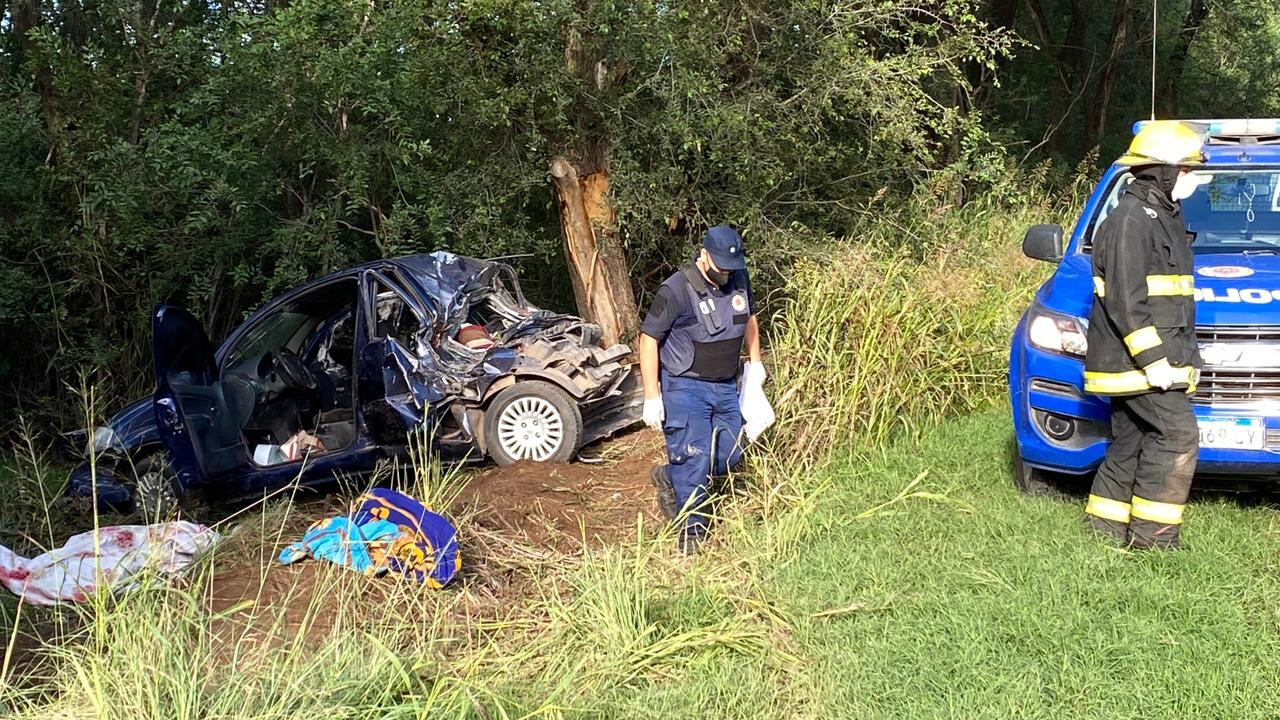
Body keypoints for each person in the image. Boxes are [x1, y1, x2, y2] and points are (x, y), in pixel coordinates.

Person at [1082, 120, 1206, 550]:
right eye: (1188, 170)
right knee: (1177, 436)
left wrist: (1186, 358)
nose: (1192, 178)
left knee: (1132, 440)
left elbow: (1172, 301)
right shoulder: (1131, 220)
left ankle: (1103, 532)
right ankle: (1154, 541)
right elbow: (1126, 301)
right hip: (1137, 363)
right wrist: (1155, 361)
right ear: (1163, 171)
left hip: (1155, 360)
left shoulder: (1162, 213)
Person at [638, 225, 764, 554]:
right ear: (704, 255)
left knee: (730, 453)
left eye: (731, 267)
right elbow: (649, 339)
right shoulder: (677, 289)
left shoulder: (738, 276)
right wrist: (652, 396)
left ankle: (669, 476)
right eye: (720, 265)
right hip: (685, 386)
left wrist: (756, 363)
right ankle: (692, 531)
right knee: (692, 457)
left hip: (725, 384)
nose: (726, 273)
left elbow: (749, 318)